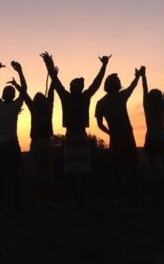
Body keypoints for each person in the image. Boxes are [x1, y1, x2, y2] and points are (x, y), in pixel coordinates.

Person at [41, 51, 111, 207]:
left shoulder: (67, 96)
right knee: (82, 171)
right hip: (79, 134)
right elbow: (96, 82)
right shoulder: (84, 96)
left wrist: (48, 63)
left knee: (73, 171)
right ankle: (81, 200)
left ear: (73, 87)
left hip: (72, 135)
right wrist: (104, 65)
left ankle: (76, 200)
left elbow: (55, 79)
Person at [7, 63, 57, 208]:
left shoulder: (34, 107)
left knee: (36, 173)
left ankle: (38, 201)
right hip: (47, 143)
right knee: (47, 174)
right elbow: (53, 88)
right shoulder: (49, 106)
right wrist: (52, 71)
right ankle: (48, 200)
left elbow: (25, 94)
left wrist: (17, 84)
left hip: (37, 143)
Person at [95, 68, 143, 202]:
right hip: (127, 134)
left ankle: (120, 197)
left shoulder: (100, 103)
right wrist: (138, 76)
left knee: (117, 168)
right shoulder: (121, 97)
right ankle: (135, 196)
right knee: (132, 166)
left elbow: (99, 124)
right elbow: (132, 86)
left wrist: (110, 133)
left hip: (115, 137)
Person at [0, 61, 26, 209]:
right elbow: (24, 90)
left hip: (3, 145)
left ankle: (2, 203)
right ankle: (14, 204)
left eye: (6, 91)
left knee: (2, 176)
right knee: (13, 175)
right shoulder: (15, 106)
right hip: (11, 144)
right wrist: (20, 71)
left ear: (4, 95)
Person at [141, 65, 164, 195]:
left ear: (149, 99)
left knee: (153, 170)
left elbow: (144, 90)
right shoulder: (163, 108)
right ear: (160, 97)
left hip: (151, 140)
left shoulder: (147, 108)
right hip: (162, 140)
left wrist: (143, 76)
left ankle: (156, 193)